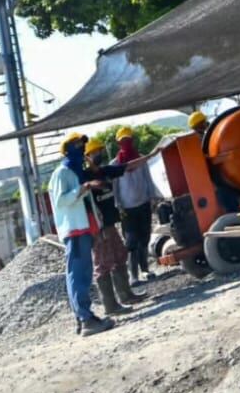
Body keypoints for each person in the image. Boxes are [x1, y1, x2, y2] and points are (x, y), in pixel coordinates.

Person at [47, 133, 114, 336]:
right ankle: (86, 319)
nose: (82, 149)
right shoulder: (62, 173)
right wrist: (84, 187)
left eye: (82, 145)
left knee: (82, 272)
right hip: (74, 229)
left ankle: (82, 317)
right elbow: (60, 201)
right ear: (67, 149)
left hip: (83, 227)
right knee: (79, 274)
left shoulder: (74, 172)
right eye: (78, 145)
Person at [84, 137, 146, 313]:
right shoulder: (85, 178)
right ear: (87, 156)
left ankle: (126, 295)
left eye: (100, 151)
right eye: (95, 152)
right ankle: (110, 305)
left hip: (109, 224)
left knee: (120, 255)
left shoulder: (105, 171)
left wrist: (152, 155)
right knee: (103, 263)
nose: (99, 154)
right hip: (99, 227)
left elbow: (129, 166)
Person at [112, 127, 157, 284]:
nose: (126, 143)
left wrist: (152, 198)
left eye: (128, 140)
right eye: (123, 141)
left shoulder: (141, 160)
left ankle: (145, 269)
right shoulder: (115, 164)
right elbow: (115, 188)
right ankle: (134, 276)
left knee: (144, 237)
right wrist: (119, 206)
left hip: (144, 204)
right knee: (131, 242)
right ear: (118, 143)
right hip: (127, 209)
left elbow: (148, 179)